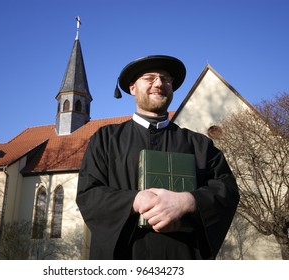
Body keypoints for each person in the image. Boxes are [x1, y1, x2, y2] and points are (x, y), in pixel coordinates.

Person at [76, 55, 240, 260]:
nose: (159, 84)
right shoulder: (105, 139)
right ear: (132, 88)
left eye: (166, 79)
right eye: (149, 78)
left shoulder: (200, 144)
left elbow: (228, 191)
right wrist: (135, 200)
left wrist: (188, 201)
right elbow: (88, 194)